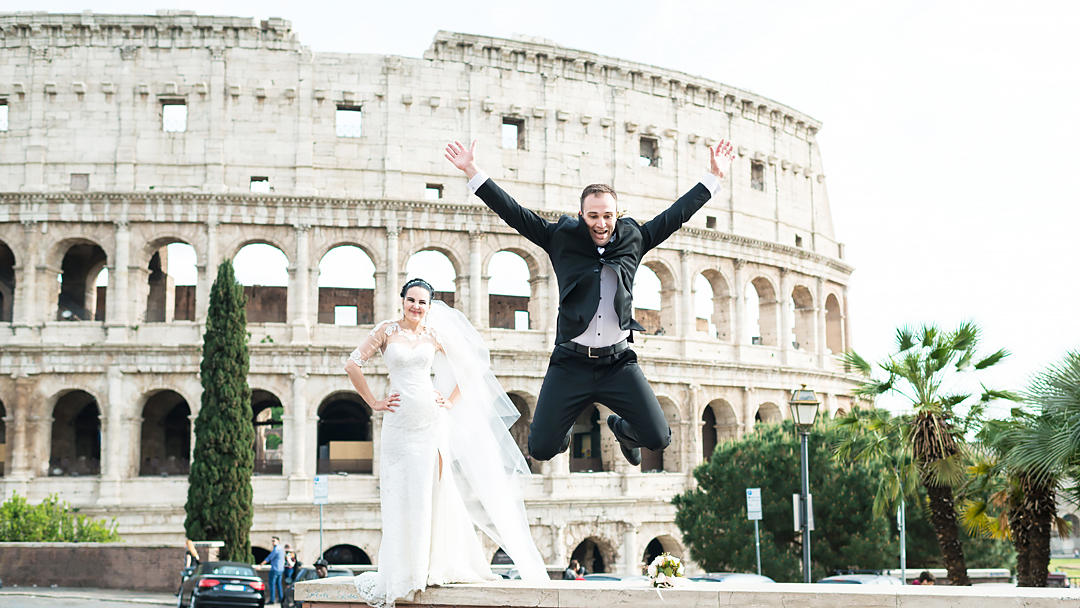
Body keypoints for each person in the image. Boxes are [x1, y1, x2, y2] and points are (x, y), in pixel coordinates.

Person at [445, 139, 735, 465]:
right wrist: (472, 170)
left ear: (617, 215)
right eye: (593, 216)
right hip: (570, 362)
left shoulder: (634, 239)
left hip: (618, 363)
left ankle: (621, 428)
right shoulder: (561, 238)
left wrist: (713, 178)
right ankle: (561, 429)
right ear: (581, 214)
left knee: (658, 437)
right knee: (541, 448)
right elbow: (515, 213)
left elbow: (675, 215)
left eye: (607, 216)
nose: (601, 224)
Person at [345, 278, 548, 608]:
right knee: (399, 489)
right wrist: (374, 402)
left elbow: (471, 369)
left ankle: (428, 565)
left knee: (431, 489)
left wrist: (450, 400)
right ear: (402, 301)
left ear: (429, 305)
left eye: (422, 302)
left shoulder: (434, 335)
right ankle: (402, 569)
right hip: (398, 422)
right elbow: (352, 363)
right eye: (411, 300)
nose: (416, 306)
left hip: (430, 420)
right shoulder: (385, 331)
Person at [261, 536, 285, 604]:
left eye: (274, 541)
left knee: (272, 585)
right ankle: (281, 599)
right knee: (279, 585)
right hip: (280, 569)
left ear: (278, 541)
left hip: (275, 569)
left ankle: (272, 600)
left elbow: (269, 558)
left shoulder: (276, 549)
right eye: (272, 541)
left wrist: (261, 565)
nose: (273, 542)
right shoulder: (281, 549)